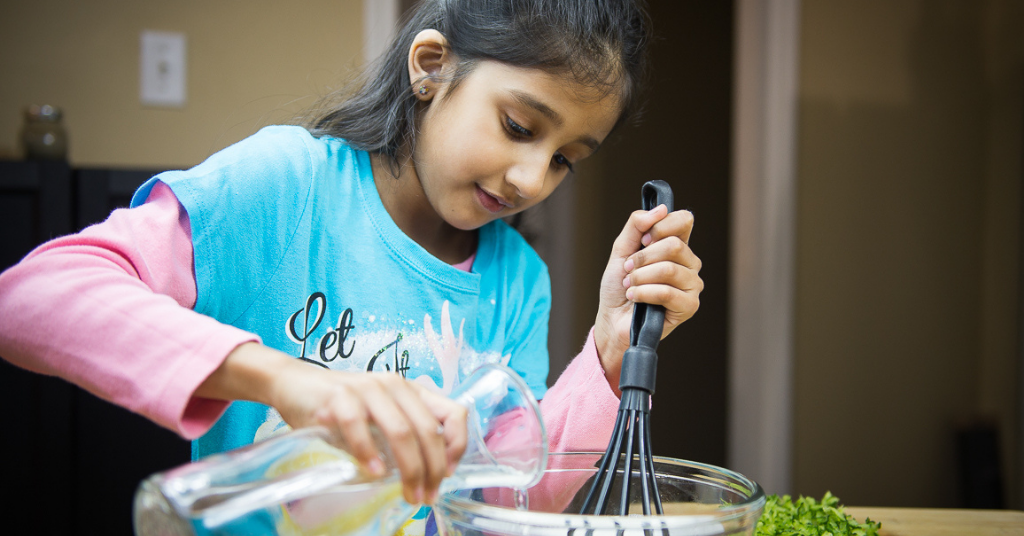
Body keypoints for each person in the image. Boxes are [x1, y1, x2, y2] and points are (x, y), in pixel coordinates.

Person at [0, 0, 702, 526]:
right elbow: (31, 299)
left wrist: (609, 351)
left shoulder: (518, 280)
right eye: (519, 126)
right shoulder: (288, 186)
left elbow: (504, 497)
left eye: (563, 161)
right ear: (432, 67)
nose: (530, 179)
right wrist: (289, 381)